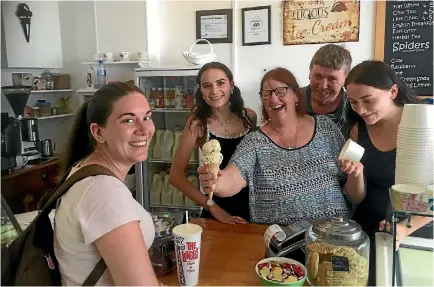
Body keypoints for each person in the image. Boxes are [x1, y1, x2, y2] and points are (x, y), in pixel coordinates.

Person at [197, 67, 350, 226]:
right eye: (266, 94)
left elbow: (349, 180)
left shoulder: (325, 128)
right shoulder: (255, 142)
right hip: (282, 241)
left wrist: (356, 175)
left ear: (296, 94)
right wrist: (216, 182)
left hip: (334, 233)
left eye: (281, 91)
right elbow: (233, 178)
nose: (273, 99)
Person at [54, 82, 159, 285]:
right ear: (98, 132)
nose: (144, 129)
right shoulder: (104, 192)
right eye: (129, 120)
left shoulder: (85, 170)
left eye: (147, 117)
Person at [340, 60, 433, 285]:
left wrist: (404, 227)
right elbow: (356, 197)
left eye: (368, 100)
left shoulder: (424, 124)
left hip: (416, 233)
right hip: (368, 232)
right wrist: (356, 173)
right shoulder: (357, 129)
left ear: (393, 91)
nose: (360, 110)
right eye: (353, 102)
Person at [169, 62, 257, 224]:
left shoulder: (249, 117)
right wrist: (212, 207)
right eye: (207, 86)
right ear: (201, 91)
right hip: (220, 210)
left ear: (231, 84)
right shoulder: (197, 124)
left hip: (255, 206)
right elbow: (175, 176)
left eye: (220, 83)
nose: (214, 91)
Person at [301, 44, 352, 134]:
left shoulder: (356, 109)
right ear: (309, 74)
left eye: (332, 79)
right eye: (317, 76)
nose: (323, 86)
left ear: (346, 80)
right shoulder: (291, 101)